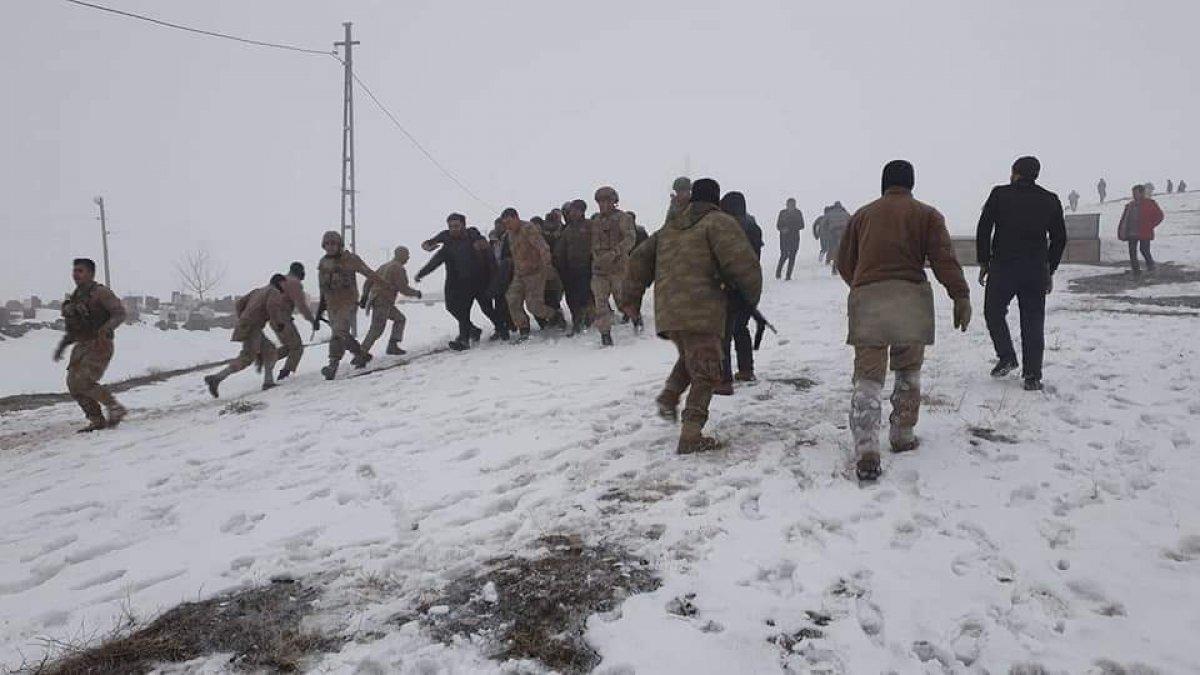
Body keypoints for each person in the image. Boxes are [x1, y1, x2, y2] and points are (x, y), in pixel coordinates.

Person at [837, 160, 971, 482]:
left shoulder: (862, 215)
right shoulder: (927, 215)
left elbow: (845, 262)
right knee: (908, 372)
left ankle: (867, 447)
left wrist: (862, 286)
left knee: (868, 378)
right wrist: (960, 295)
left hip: (869, 297)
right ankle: (902, 434)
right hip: (910, 299)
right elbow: (943, 258)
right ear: (912, 183)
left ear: (883, 182)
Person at [621, 178, 762, 455]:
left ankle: (669, 396)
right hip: (703, 308)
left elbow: (638, 260)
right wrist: (749, 299)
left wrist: (630, 299)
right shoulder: (718, 223)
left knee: (693, 358)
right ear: (716, 200)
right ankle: (691, 434)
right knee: (708, 369)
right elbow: (742, 263)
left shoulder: (669, 228)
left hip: (670, 310)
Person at [977, 156, 1068, 392]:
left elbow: (984, 227)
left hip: (1003, 267)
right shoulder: (1050, 200)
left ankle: (1006, 355)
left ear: (1015, 173)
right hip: (1035, 270)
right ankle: (1032, 376)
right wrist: (1050, 267)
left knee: (993, 312)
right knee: (1033, 321)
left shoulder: (1000, 194)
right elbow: (1060, 238)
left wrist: (984, 261)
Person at [54, 258, 127, 432]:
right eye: (74, 271)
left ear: (90, 273)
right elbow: (74, 328)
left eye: (80, 271)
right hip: (82, 345)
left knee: (84, 380)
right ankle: (96, 419)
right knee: (73, 384)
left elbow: (119, 313)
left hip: (100, 344)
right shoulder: (75, 297)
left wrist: (105, 329)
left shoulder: (101, 293)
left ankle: (115, 407)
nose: (76, 274)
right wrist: (62, 346)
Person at [416, 213, 504, 350]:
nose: (453, 229)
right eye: (451, 226)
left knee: (486, 309)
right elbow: (435, 260)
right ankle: (467, 336)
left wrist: (494, 277)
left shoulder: (473, 237)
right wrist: (422, 273)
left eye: (456, 226)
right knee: (458, 309)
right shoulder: (447, 244)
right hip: (459, 284)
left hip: (480, 281)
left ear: (463, 225)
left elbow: (488, 256)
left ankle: (500, 329)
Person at [316, 230, 391, 379]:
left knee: (338, 332)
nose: (330, 247)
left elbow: (369, 273)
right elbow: (322, 287)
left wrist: (385, 285)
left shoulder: (350, 259)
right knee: (342, 333)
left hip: (348, 302)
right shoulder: (323, 263)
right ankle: (360, 354)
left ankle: (332, 365)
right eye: (327, 244)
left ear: (340, 245)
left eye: (333, 244)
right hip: (332, 304)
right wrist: (320, 309)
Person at [205, 276, 287, 397]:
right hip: (253, 326)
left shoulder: (258, 290)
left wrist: (244, 318)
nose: (285, 287)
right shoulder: (273, 292)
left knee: (270, 351)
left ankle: (268, 382)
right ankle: (216, 378)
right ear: (279, 282)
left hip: (250, 325)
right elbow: (272, 308)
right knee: (247, 357)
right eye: (284, 284)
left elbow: (239, 304)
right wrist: (278, 323)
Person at [719, 191, 764, 388]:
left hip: (731, 285)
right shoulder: (752, 225)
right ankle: (746, 370)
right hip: (751, 284)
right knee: (740, 328)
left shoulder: (729, 228)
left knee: (724, 333)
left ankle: (723, 379)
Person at [501, 207, 561, 342]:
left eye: (509, 222)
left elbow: (542, 247)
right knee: (512, 299)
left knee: (534, 305)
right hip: (520, 273)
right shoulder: (510, 234)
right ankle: (523, 328)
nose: (508, 226)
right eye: (505, 223)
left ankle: (555, 316)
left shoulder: (528, 229)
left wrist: (547, 264)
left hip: (535, 272)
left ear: (516, 218)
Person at [357, 246, 422, 362]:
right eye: (407, 255)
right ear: (401, 255)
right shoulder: (398, 268)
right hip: (383, 301)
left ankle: (393, 345)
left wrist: (365, 296)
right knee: (376, 329)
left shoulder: (384, 266)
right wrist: (416, 293)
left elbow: (368, 281)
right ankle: (361, 354)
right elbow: (403, 288)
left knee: (400, 319)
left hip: (379, 300)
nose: (408, 258)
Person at [590, 186, 636, 345]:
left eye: (606, 201)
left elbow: (630, 239)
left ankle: (635, 318)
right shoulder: (595, 221)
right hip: (600, 270)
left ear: (614, 202)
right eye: (600, 202)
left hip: (618, 268)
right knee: (600, 303)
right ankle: (605, 334)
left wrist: (615, 253)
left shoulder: (623, 218)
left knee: (622, 301)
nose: (603, 205)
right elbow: (592, 243)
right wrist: (596, 258)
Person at [270, 262, 316, 381]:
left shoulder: (282, 281)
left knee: (288, 347)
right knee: (297, 348)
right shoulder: (294, 283)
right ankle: (284, 374)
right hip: (283, 319)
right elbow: (301, 306)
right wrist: (312, 321)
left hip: (273, 319)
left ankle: (266, 357)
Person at [554, 199, 593, 336]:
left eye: (576, 210)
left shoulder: (590, 226)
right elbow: (560, 250)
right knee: (571, 298)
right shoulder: (567, 230)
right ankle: (578, 319)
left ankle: (581, 321)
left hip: (587, 267)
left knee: (584, 296)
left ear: (582, 211)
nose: (572, 213)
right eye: (571, 211)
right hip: (570, 270)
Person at [1117, 184, 1164, 276]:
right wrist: (1122, 230)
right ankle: (1136, 270)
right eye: (1133, 193)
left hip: (1144, 232)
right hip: (1131, 232)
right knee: (1132, 252)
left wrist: (1150, 225)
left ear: (1142, 193)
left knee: (1144, 250)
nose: (1134, 195)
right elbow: (1124, 218)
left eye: (1136, 193)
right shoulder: (1130, 205)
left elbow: (1160, 216)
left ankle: (1151, 266)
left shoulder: (1150, 203)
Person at [775, 198, 805, 280]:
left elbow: (802, 225)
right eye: (789, 204)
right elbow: (778, 225)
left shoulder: (798, 213)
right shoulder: (782, 213)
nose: (791, 206)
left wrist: (791, 228)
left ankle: (788, 275)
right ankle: (778, 272)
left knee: (792, 256)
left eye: (793, 204)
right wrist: (782, 229)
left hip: (794, 237)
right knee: (784, 255)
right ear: (786, 205)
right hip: (784, 238)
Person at [823, 202, 852, 273]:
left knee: (834, 249)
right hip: (843, 232)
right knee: (844, 250)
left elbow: (824, 224)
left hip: (833, 232)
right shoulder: (846, 213)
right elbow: (851, 222)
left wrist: (826, 232)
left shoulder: (829, 213)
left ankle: (834, 266)